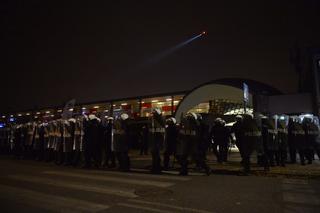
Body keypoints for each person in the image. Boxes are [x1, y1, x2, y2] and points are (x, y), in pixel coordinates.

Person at [148, 108, 165, 174]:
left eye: (154, 113)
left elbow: (159, 131)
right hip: (154, 140)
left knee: (156, 155)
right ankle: (155, 167)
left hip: (157, 140)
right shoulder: (154, 120)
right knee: (154, 155)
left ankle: (156, 168)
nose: (152, 115)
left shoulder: (159, 120)